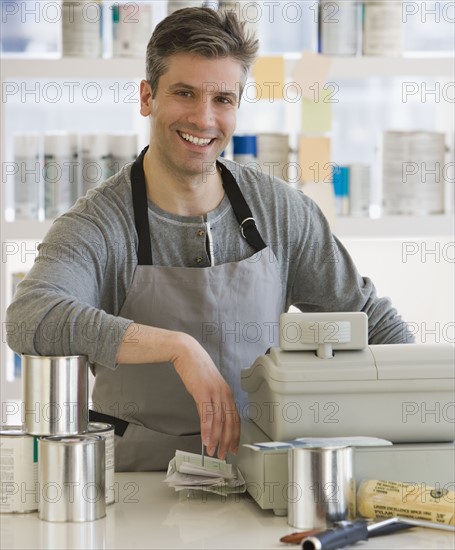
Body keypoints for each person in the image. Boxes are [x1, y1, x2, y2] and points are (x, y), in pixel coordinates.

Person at [6, 7, 414, 471]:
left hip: (258, 484)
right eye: (184, 93)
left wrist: (429, 406)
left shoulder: (279, 211)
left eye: (222, 98)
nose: (204, 118)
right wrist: (179, 348)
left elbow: (369, 320)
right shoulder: (101, 222)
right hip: (139, 492)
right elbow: (29, 318)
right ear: (147, 97)